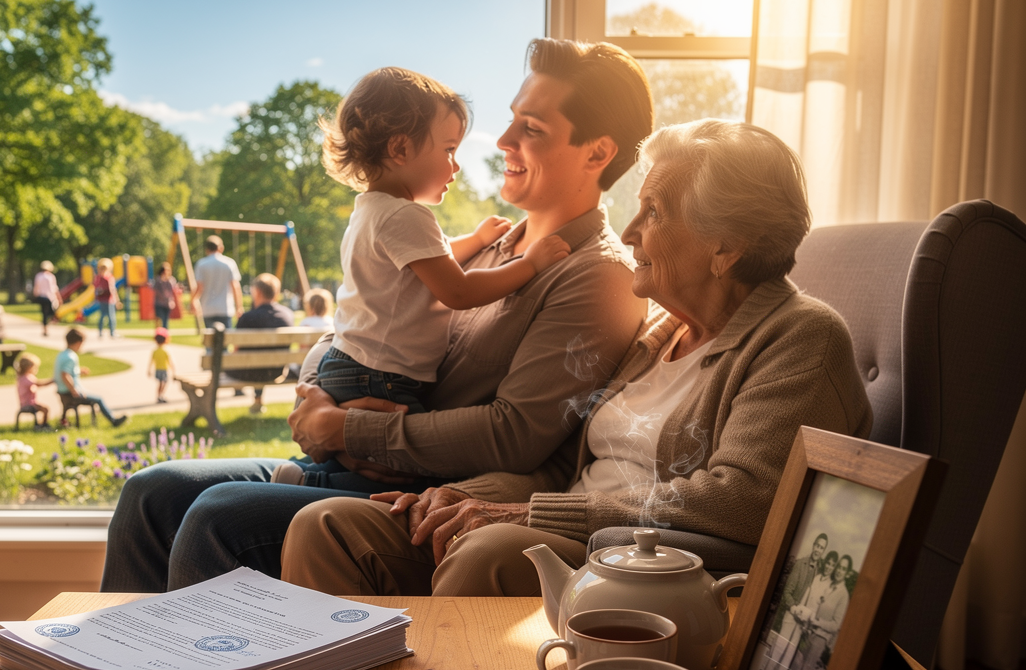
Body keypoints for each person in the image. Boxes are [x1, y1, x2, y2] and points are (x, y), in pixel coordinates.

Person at [99, 38, 654, 594]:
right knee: (151, 492)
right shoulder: (482, 246)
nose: (503, 140)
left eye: (530, 128)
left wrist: (347, 428)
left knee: (221, 515)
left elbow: (515, 436)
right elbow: (364, 318)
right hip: (350, 460)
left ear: (596, 153)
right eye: (511, 119)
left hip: (414, 489)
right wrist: (315, 389)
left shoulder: (596, 277)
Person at [280, 118, 874, 598]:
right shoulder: (659, 335)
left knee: (488, 553)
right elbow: (564, 467)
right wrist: (466, 494)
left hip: (647, 563)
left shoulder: (799, 338)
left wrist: (535, 516)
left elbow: (742, 501)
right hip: (566, 528)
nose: (633, 229)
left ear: (727, 247)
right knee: (326, 528)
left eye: (656, 211)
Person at [308, 66, 569, 423]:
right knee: (404, 460)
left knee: (367, 456)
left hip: (354, 364)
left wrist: (476, 240)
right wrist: (530, 264)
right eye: (448, 150)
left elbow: (432, 259)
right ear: (400, 148)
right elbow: (458, 291)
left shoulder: (372, 209)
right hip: (380, 375)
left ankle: (313, 477)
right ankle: (320, 482)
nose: (456, 165)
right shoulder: (406, 216)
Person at [783, 553, 853, 670]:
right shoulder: (828, 584)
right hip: (808, 631)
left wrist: (818, 621)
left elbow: (836, 625)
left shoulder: (844, 596)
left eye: (843, 568)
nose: (839, 571)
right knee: (796, 663)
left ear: (847, 573)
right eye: (839, 567)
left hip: (820, 638)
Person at [757, 533, 827, 670]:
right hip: (791, 614)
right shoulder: (801, 564)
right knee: (778, 650)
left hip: (802, 622)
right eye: (817, 545)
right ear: (813, 546)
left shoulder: (819, 572)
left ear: (823, 551)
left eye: (821, 548)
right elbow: (787, 592)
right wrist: (794, 607)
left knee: (787, 657)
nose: (818, 549)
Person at [233, 273, 295, 415]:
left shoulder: (247, 318)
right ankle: (258, 401)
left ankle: (257, 402)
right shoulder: (287, 315)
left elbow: (236, 349)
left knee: (253, 360)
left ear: (258, 292)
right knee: (261, 360)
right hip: (277, 371)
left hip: (248, 373)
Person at [55, 328, 127, 427]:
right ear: (78, 343)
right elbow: (65, 374)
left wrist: (79, 371)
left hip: (62, 391)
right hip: (70, 393)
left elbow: (65, 372)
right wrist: (74, 390)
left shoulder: (62, 354)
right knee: (99, 399)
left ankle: (64, 420)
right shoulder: (71, 357)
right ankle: (113, 420)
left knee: (96, 398)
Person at [191, 235, 241, 329]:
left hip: (208, 308)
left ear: (207, 249)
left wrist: (193, 300)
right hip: (225, 308)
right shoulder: (229, 263)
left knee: (211, 340)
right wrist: (239, 306)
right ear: (221, 248)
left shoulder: (201, 264)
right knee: (226, 339)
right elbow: (235, 286)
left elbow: (199, 287)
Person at [15, 352, 54, 427]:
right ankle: (43, 425)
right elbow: (39, 384)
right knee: (45, 409)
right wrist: (53, 381)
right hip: (29, 404)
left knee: (43, 408)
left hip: (24, 403)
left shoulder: (21, 378)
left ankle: (40, 424)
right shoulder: (27, 378)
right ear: (29, 368)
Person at [33, 260, 62, 336]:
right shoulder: (51, 276)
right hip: (49, 297)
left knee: (44, 313)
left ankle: (45, 328)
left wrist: (35, 295)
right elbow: (54, 289)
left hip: (41, 297)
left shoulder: (38, 275)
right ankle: (48, 326)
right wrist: (59, 298)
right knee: (50, 312)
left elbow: (36, 288)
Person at [93, 259, 119, 338]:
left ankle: (106, 332)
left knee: (107, 316)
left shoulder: (101, 277)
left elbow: (113, 290)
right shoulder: (104, 278)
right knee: (109, 316)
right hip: (106, 299)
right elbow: (111, 290)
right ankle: (110, 332)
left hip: (107, 299)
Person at [151, 262, 180, 329]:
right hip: (159, 303)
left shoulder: (171, 280)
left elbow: (172, 291)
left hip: (167, 304)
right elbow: (156, 290)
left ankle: (164, 334)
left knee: (165, 320)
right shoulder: (158, 280)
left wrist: (172, 301)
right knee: (160, 319)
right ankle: (159, 333)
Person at [149, 329, 175, 404]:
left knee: (161, 383)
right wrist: (173, 370)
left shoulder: (155, 351)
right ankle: (160, 396)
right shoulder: (165, 350)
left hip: (157, 370)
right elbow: (170, 362)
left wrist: (149, 370)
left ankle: (159, 396)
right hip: (164, 370)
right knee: (163, 383)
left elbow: (151, 361)